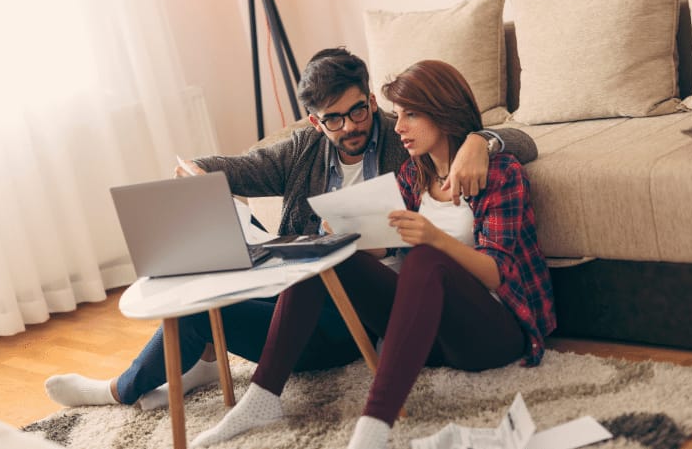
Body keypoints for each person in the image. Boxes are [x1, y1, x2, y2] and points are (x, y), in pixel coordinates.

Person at [45, 49, 538, 411]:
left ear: (371, 101)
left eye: (358, 111)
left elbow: (513, 138)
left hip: (369, 304)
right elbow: (234, 166)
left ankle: (211, 368)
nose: (350, 126)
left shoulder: (402, 138)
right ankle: (126, 389)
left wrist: (481, 139)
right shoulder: (302, 150)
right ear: (314, 120)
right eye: (333, 119)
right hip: (310, 294)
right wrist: (194, 172)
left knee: (337, 270)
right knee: (200, 308)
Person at [189, 59, 555, 449]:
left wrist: (435, 237)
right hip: (433, 337)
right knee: (323, 252)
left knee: (424, 259)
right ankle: (261, 399)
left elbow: (500, 274)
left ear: (442, 111)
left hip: (493, 333)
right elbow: (386, 247)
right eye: (397, 116)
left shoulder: (498, 173)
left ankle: (373, 429)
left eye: (410, 115)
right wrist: (351, 236)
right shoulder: (413, 175)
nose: (398, 128)